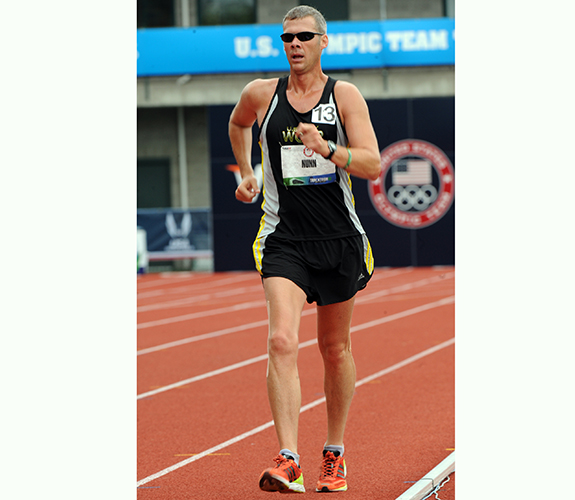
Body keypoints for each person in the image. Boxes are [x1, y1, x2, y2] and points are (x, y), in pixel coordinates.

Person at [228, 5, 381, 493]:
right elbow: (238, 125)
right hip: (284, 237)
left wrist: (329, 150)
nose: (294, 44)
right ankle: (288, 455)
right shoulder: (262, 94)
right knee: (281, 340)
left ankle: (333, 453)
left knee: (334, 348)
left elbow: (374, 164)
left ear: (323, 41)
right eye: (287, 37)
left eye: (304, 36)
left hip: (339, 239)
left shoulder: (345, 95)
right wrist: (247, 172)